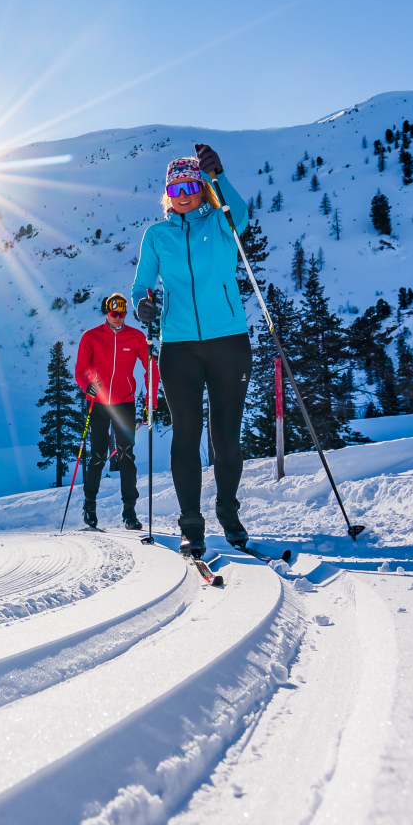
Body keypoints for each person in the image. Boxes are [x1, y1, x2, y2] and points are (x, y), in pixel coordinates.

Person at [129, 145, 252, 558]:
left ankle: (229, 512)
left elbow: (242, 216)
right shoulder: (156, 235)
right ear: (167, 193)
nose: (182, 194)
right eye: (174, 187)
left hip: (228, 341)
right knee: (186, 434)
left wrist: (219, 175)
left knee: (225, 435)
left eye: (190, 186)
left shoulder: (220, 222)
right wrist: (142, 303)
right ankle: (191, 524)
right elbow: (142, 282)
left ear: (200, 188)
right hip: (178, 346)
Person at [74, 292, 156, 530]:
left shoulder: (137, 337)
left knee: (126, 455)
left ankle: (129, 512)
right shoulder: (91, 337)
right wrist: (86, 384)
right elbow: (80, 370)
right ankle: (90, 505)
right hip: (99, 403)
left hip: (124, 402)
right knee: (98, 456)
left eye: (122, 313)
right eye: (114, 313)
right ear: (106, 312)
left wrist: (151, 401)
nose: (118, 318)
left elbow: (150, 368)